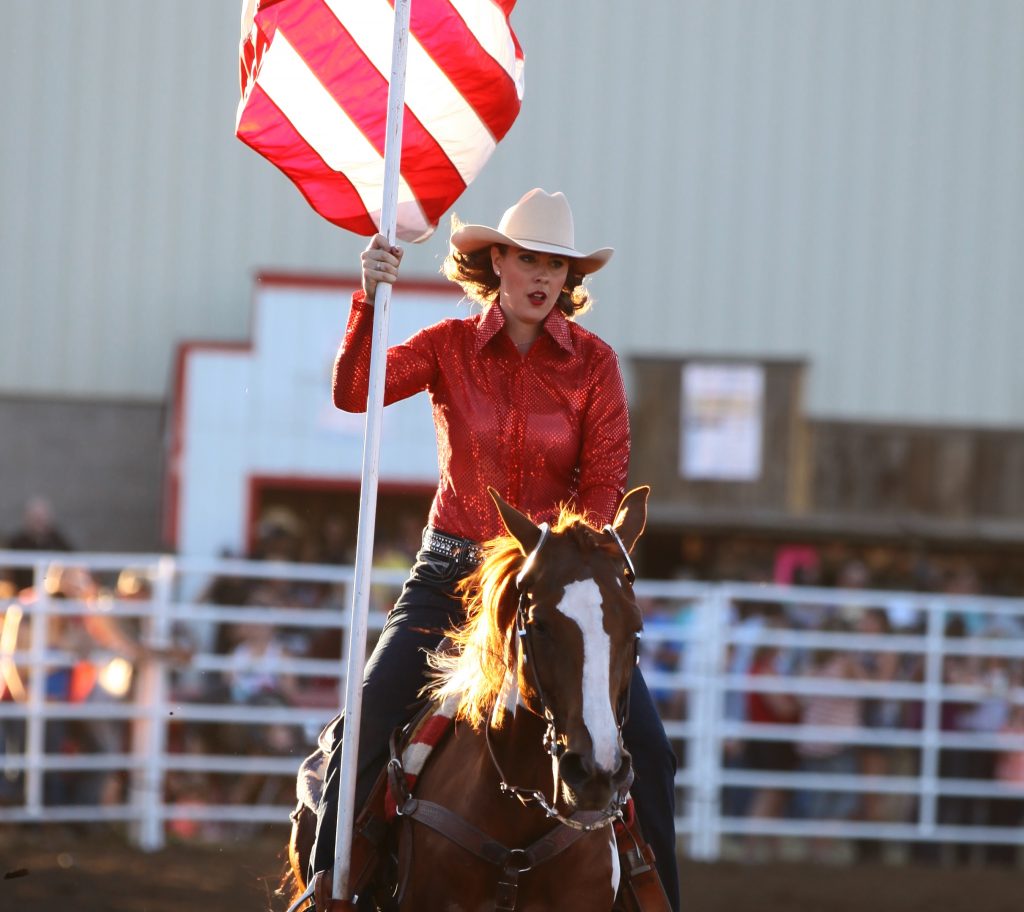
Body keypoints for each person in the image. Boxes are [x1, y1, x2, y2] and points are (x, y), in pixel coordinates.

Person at [308, 189, 680, 908]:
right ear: (497, 261)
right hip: (450, 576)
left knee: (654, 755)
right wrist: (367, 299)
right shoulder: (448, 346)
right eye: (530, 259)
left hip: (554, 588)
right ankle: (330, 885)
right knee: (369, 720)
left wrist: (563, 563)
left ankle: (659, 898)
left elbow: (604, 482)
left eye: (558, 265)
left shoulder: (595, 364)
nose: (545, 277)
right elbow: (355, 391)